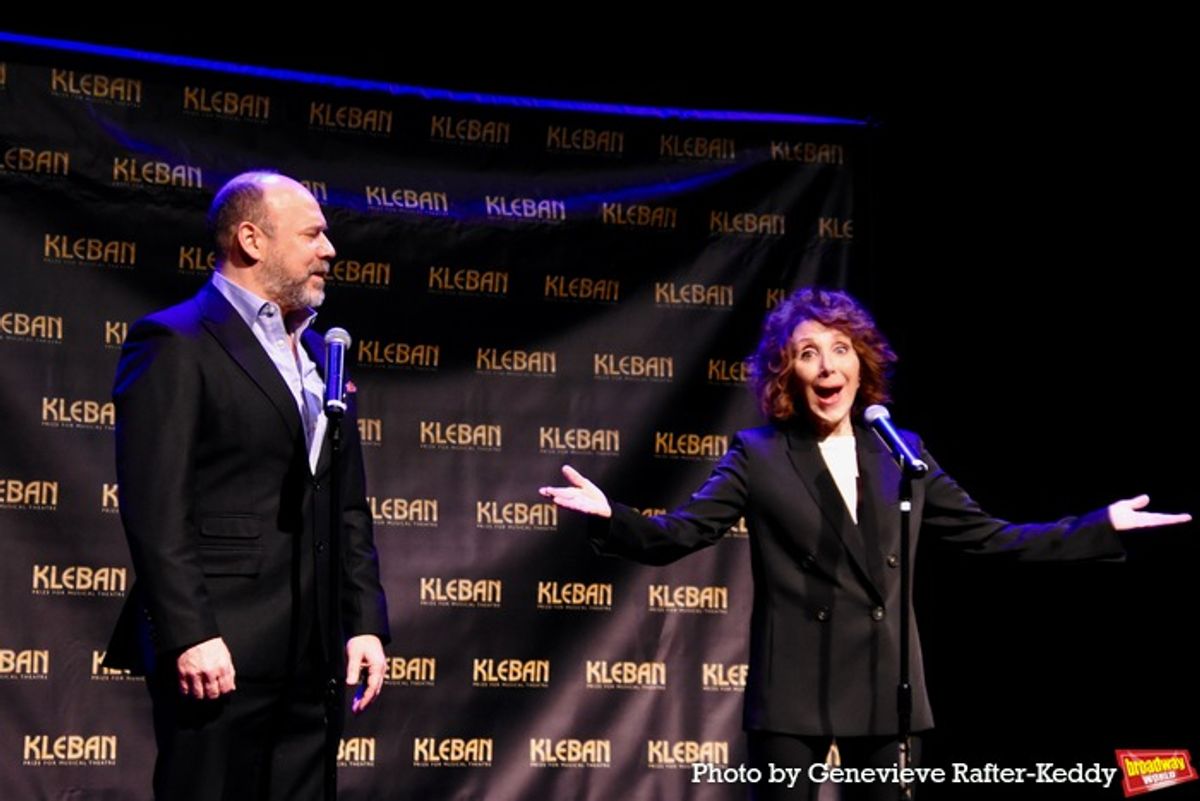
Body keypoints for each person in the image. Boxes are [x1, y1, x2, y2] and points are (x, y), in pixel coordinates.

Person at [540, 287, 1189, 800]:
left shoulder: (898, 452)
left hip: (888, 689)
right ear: (785, 371)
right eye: (808, 351)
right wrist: (611, 515)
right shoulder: (758, 455)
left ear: (862, 363)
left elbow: (992, 537)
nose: (827, 365)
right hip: (792, 694)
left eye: (841, 348)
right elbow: (679, 532)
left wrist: (1099, 525)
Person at [104, 171, 390, 801]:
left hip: (312, 652)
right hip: (221, 649)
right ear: (252, 240)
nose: (329, 250)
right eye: (313, 234)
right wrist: (190, 633)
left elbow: (346, 507)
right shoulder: (175, 341)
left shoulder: (320, 355)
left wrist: (363, 621)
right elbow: (156, 506)